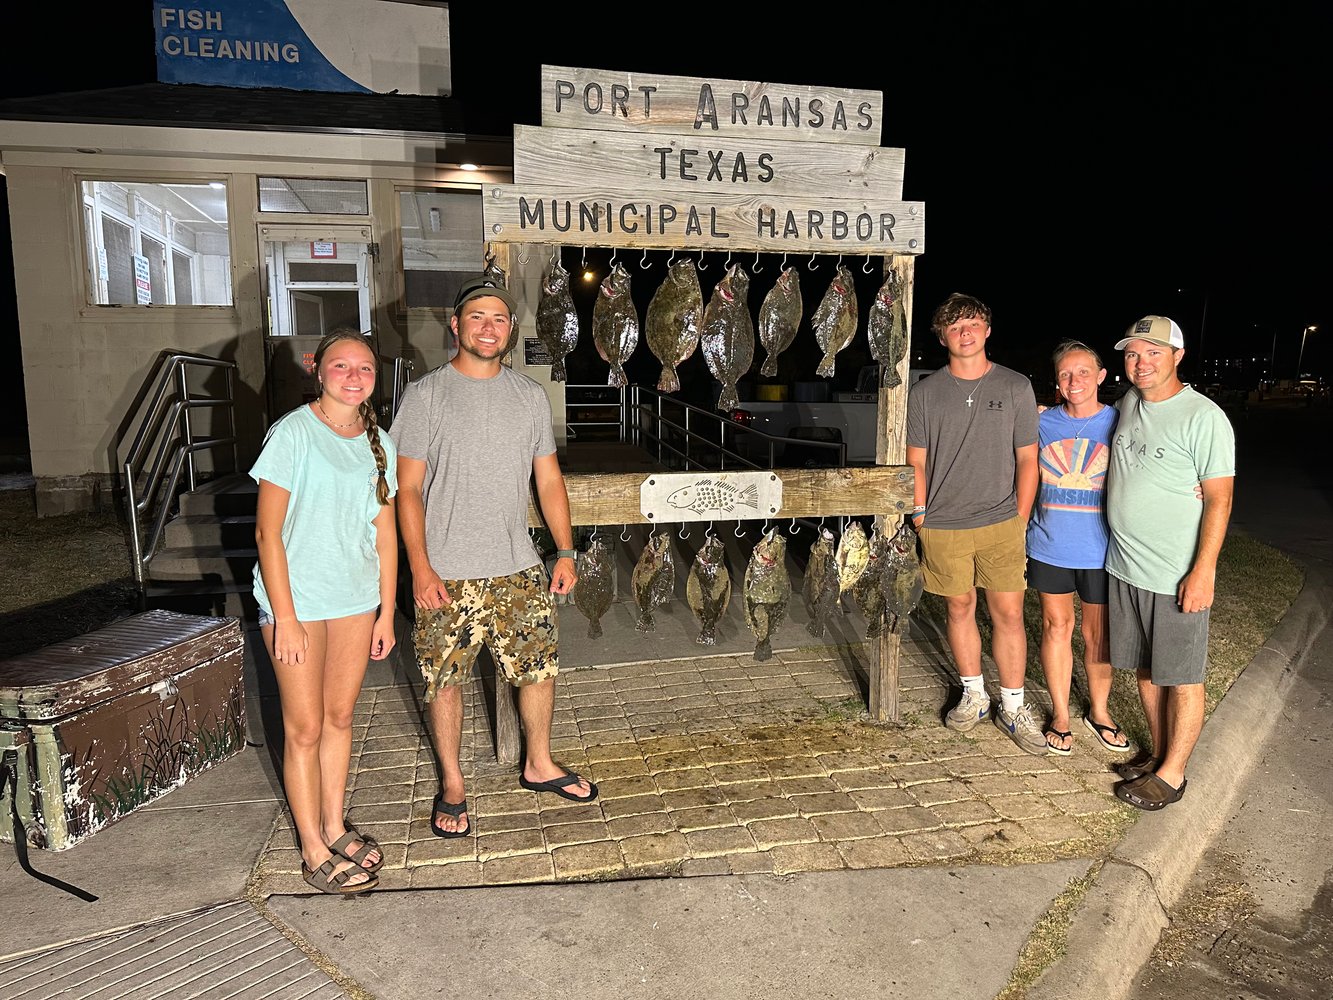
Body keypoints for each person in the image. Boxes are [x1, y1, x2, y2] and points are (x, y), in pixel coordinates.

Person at [393, 275, 597, 840]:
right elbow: (406, 489)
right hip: (446, 573)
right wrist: (421, 565)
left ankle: (539, 762)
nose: (489, 327)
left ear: (511, 330)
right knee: (445, 680)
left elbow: (549, 479)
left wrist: (563, 550)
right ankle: (453, 783)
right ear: (455, 326)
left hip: (518, 565)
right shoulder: (426, 395)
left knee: (538, 670)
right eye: (477, 317)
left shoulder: (528, 396)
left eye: (500, 318)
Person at [252, 329, 398, 895]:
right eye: (342, 366)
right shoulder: (292, 433)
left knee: (339, 719)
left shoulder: (377, 438)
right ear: (319, 370)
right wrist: (284, 617)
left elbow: (384, 533)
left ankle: (335, 825)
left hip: (355, 600)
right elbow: (267, 532)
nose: (354, 376)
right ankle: (311, 845)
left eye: (365, 367)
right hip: (299, 604)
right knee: (304, 728)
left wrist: (386, 612)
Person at [1106, 315, 1234, 810]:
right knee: (1145, 669)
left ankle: (1174, 775)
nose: (1141, 363)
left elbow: (1220, 499)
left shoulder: (1203, 416)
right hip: (1126, 567)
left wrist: (1203, 571)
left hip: (1175, 575)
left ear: (1177, 357)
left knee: (1182, 676)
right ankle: (1159, 756)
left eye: (1153, 353)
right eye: (1133, 354)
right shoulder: (1128, 405)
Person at [905, 293, 1043, 753]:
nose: (964, 331)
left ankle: (1014, 703)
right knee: (959, 608)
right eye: (954, 325)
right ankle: (973, 693)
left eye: (972, 323)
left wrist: (1020, 516)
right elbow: (916, 461)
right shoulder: (924, 393)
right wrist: (921, 515)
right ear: (941, 336)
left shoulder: (1015, 386)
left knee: (1008, 614)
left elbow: (1028, 459)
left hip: (1002, 521)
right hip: (943, 525)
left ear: (987, 330)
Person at [1026, 340, 1131, 756]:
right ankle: (1061, 715)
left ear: (1102, 377)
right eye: (1066, 374)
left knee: (1097, 635)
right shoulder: (1041, 423)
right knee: (1056, 628)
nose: (1075, 381)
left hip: (1103, 549)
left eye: (1084, 372)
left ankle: (1100, 712)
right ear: (1057, 380)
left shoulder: (1121, 421)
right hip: (1050, 545)